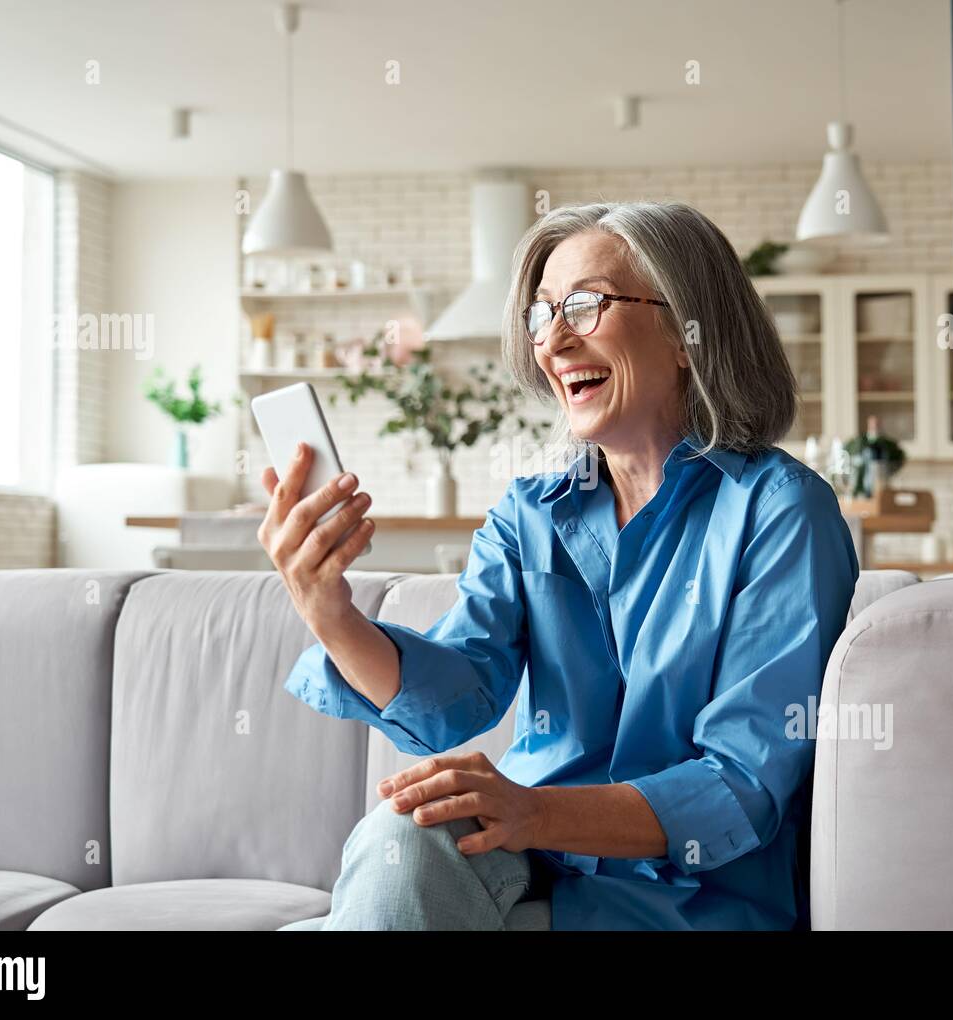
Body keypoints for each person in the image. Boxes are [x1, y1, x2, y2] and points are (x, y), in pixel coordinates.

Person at [262, 201, 859, 930]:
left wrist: (535, 810)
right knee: (401, 832)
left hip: (692, 895)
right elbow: (456, 693)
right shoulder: (532, 512)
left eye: (584, 304)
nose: (554, 339)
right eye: (542, 315)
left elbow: (742, 782)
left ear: (686, 332)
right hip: (533, 854)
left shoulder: (780, 511)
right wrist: (330, 613)